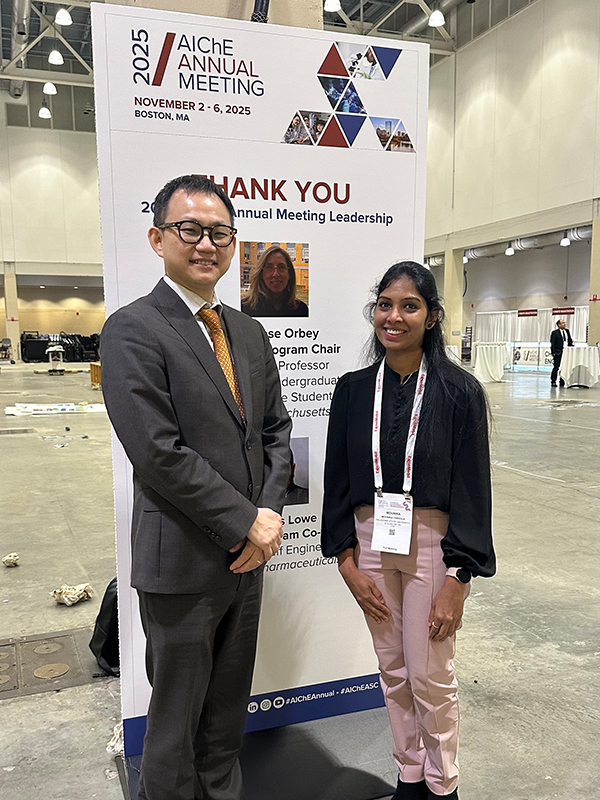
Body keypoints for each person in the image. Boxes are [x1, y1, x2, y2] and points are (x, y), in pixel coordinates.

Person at [100, 175, 292, 800]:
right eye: (190, 230)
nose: (206, 243)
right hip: (182, 564)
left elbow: (275, 432)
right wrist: (247, 522)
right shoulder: (132, 330)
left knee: (227, 718)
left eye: (220, 232)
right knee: (175, 725)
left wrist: (265, 515)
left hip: (247, 561)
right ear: (158, 238)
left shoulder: (248, 331)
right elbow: (158, 453)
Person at [322, 262, 495, 800]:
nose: (394, 317)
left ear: (432, 317)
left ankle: (444, 785)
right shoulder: (351, 391)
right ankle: (410, 776)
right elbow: (337, 478)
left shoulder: (458, 392)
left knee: (431, 675)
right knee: (392, 669)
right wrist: (346, 561)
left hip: (431, 545)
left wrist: (458, 577)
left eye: (410, 306)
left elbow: (472, 488)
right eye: (385, 305)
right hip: (371, 539)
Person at [241, 245, 308, 318]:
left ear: (290, 274)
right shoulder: (244, 310)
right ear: (261, 274)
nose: (275, 274)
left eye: (281, 267)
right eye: (269, 267)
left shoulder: (301, 310)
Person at [549, 318, 573, 386]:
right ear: (559, 325)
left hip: (566, 352)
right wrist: (553, 352)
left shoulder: (567, 331)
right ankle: (553, 381)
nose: (564, 324)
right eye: (563, 323)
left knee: (564, 367)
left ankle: (562, 381)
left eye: (564, 323)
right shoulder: (555, 333)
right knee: (556, 367)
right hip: (558, 352)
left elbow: (569, 340)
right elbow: (552, 343)